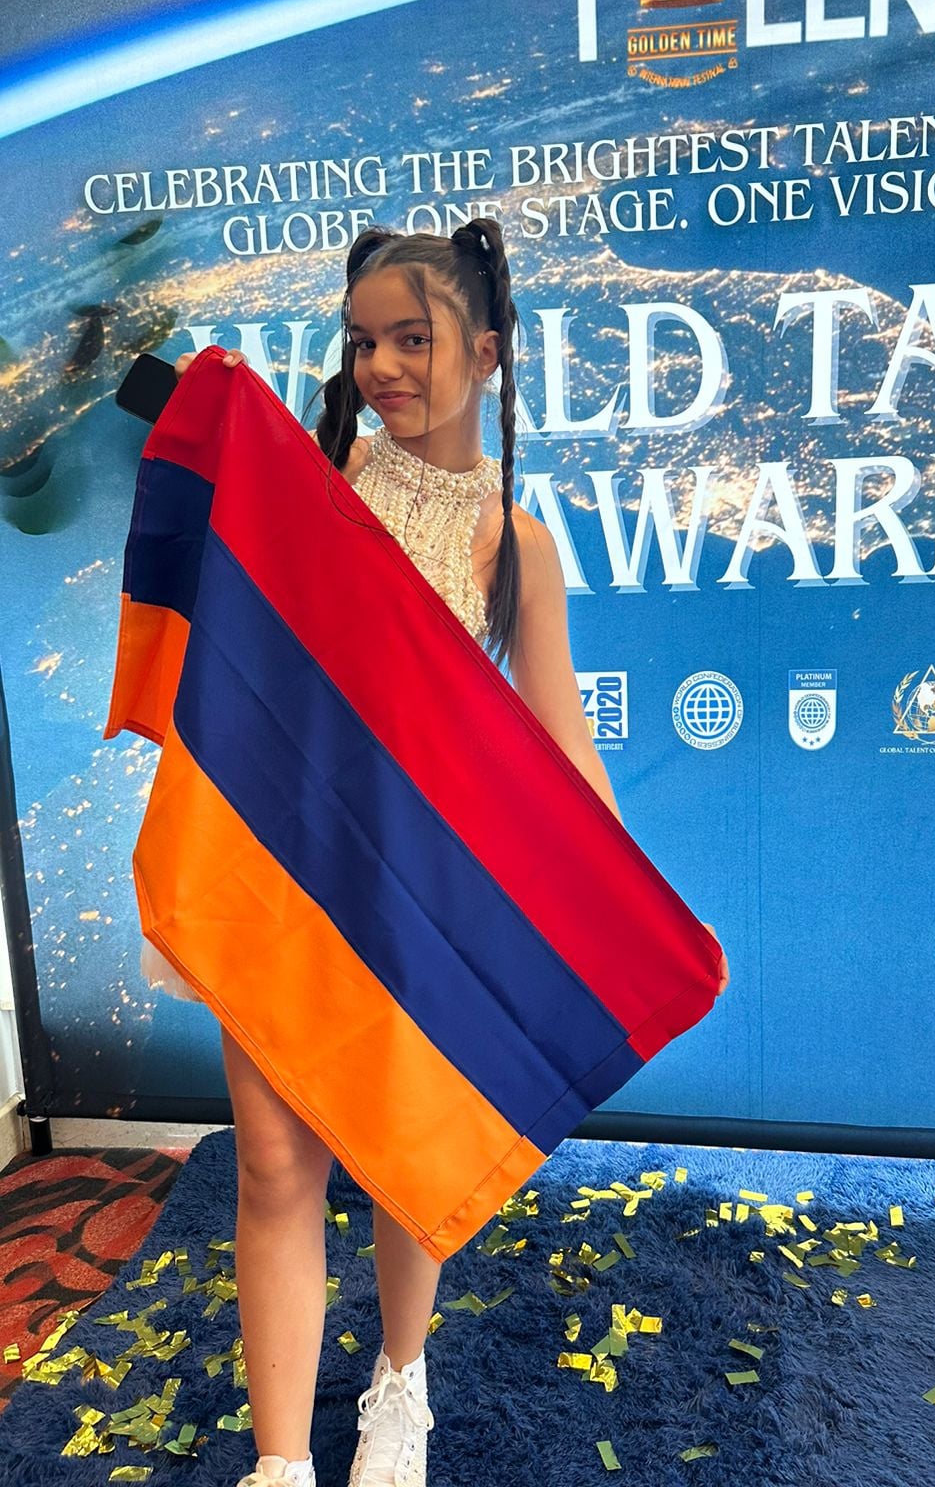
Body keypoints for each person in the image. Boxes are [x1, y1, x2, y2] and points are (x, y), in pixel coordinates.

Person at [150, 218, 730, 1487]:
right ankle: (281, 1461)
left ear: (489, 349)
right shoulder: (310, 492)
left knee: (406, 1151)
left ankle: (400, 1388)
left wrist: (627, 904)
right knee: (273, 1160)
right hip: (287, 873)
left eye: (412, 338)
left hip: (421, 898)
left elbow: (562, 740)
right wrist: (194, 396)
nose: (382, 367)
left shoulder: (517, 545)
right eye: (364, 341)